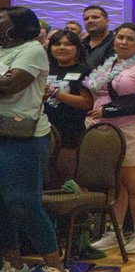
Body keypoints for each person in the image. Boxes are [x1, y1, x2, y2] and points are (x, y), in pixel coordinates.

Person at [0, 7, 73, 272]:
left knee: (23, 202)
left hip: (24, 137)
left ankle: (57, 271)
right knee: (2, 204)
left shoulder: (32, 50)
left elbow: (8, 85)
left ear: (17, 27)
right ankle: (13, 266)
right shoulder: (3, 51)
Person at [85, 22, 135, 256]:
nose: (123, 42)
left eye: (129, 39)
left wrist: (109, 111)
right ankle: (114, 231)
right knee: (115, 184)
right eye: (120, 38)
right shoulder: (108, 65)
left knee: (133, 183)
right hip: (104, 132)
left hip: (131, 129)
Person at [43, 28, 94, 185]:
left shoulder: (85, 70)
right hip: (45, 128)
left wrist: (56, 93)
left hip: (72, 130)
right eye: (57, 44)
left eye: (68, 44)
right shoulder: (45, 69)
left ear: (77, 48)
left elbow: (87, 103)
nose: (62, 48)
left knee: (66, 180)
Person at [81, 4, 115, 70]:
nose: (89, 21)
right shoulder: (80, 45)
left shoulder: (116, 42)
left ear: (107, 21)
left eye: (95, 17)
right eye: (86, 19)